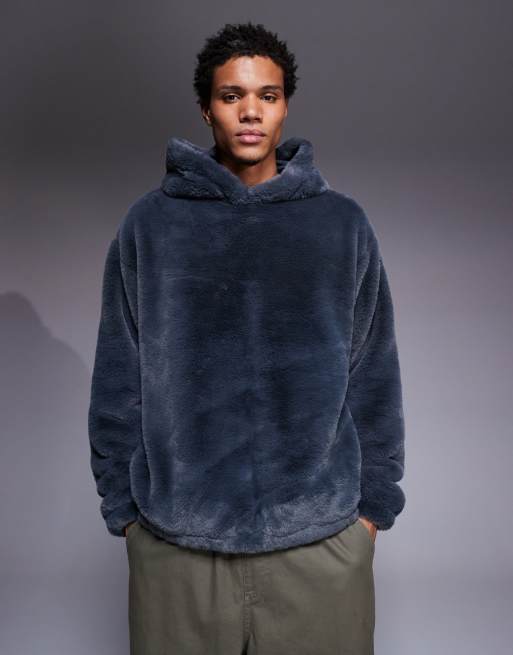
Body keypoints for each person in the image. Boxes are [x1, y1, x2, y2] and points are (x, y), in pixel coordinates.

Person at [88, 20, 406, 655]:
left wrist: (374, 510)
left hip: (320, 543)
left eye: (268, 95)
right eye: (232, 95)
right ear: (206, 108)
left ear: (286, 105)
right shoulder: (150, 226)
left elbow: (374, 373)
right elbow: (118, 376)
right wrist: (125, 513)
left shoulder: (341, 225)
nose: (251, 112)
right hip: (177, 547)